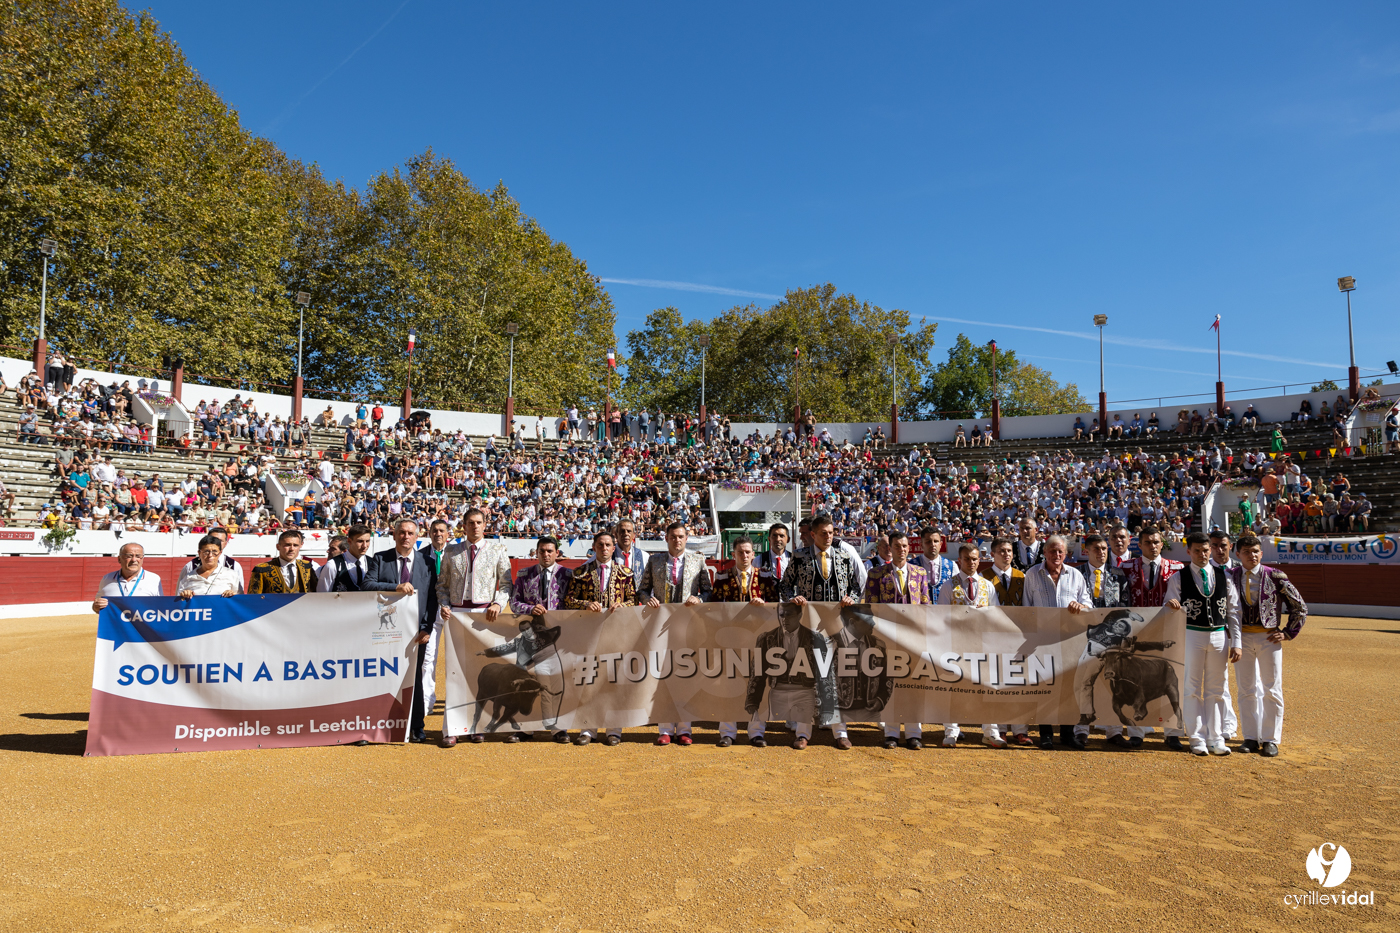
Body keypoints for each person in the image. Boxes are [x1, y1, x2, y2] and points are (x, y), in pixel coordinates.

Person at [779, 514, 862, 748]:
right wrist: (791, 597)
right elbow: (784, 585)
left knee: (835, 677)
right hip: (808, 625)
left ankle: (840, 732)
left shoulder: (844, 556)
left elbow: (856, 586)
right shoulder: (799, 556)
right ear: (813, 535)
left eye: (831, 532)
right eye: (823, 533)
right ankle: (803, 732)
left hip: (837, 625)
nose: (828, 536)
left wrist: (851, 597)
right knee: (806, 677)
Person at [436, 508, 514, 746]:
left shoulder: (498, 549)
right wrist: (445, 604)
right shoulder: (451, 551)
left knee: (482, 673)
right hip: (458, 614)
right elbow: (442, 585)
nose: (475, 526)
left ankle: (477, 727)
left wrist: (499, 605)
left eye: (479, 522)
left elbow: (506, 584)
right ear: (464, 525)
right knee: (455, 671)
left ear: (484, 524)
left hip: (484, 616)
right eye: (470, 523)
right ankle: (451, 728)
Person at [1228, 534, 1307, 758]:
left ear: (1261, 553)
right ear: (1238, 555)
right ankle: (1251, 738)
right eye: (1247, 552)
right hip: (1241, 638)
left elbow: (1299, 606)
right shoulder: (1229, 576)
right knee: (1246, 689)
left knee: (1271, 688)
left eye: (1255, 551)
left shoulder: (1275, 575)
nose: (1252, 555)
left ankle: (1271, 739)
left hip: (1268, 638)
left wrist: (1288, 632)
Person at [1164, 532, 1242, 757]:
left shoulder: (1223, 576)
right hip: (1192, 634)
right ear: (1188, 551)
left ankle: (1215, 737)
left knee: (1216, 689)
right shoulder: (1178, 578)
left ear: (1211, 550)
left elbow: (1234, 611)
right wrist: (1170, 606)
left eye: (1206, 550)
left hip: (1219, 635)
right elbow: (1168, 608)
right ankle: (1196, 737)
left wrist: (1236, 642)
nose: (1202, 554)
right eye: (1197, 550)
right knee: (1191, 688)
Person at [640, 521, 713, 745]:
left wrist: (699, 598)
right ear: (667, 538)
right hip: (660, 626)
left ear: (686, 538)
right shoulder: (655, 560)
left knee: (685, 675)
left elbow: (708, 591)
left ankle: (684, 729)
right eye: (673, 537)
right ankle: (664, 729)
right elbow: (642, 589)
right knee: (662, 677)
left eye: (681, 537)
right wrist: (647, 598)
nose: (677, 540)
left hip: (687, 626)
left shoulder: (698, 559)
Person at [563, 530, 636, 745]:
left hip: (617, 634)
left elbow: (633, 599)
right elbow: (568, 600)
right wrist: (586, 604)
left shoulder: (626, 573)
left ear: (615, 548)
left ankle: (614, 730)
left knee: (615, 680)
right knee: (589, 681)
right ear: (594, 547)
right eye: (600, 545)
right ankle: (588, 729)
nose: (604, 549)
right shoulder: (580, 572)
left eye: (608, 545)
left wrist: (622, 605)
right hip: (589, 635)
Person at [1018, 535, 1091, 749]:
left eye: (1060, 551)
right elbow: (1026, 609)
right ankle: (1046, 735)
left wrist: (1081, 606)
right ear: (1044, 553)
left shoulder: (1076, 575)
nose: (1056, 555)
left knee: (1069, 689)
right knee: (1045, 687)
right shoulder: (1032, 574)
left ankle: (1067, 735)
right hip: (1042, 641)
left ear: (1066, 554)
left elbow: (1088, 602)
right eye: (1052, 551)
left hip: (1070, 640)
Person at [863, 531, 930, 749]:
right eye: (897, 546)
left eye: (904, 546)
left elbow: (926, 606)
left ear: (909, 548)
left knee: (913, 685)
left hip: (913, 638)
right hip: (886, 637)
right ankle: (891, 733)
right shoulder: (875, 573)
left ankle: (913, 733)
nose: (901, 550)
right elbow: (870, 607)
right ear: (889, 548)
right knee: (888, 684)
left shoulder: (920, 573)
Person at [937, 543, 1006, 748]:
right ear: (959, 561)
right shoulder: (949, 585)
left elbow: (996, 616)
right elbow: (940, 617)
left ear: (979, 560)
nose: (971, 562)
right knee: (953, 689)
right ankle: (951, 731)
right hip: (955, 644)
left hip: (982, 645)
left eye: (974, 559)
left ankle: (991, 731)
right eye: (967, 559)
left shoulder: (987, 586)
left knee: (987, 688)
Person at [712, 536, 778, 747]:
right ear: (733, 554)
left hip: (758, 639)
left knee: (757, 684)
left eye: (748, 552)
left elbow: (776, 605)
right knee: (728, 685)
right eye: (740, 552)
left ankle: (756, 732)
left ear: (753, 554)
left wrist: (765, 604)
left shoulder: (765, 575)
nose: (744, 556)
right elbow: (712, 608)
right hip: (730, 639)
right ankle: (728, 732)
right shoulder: (722, 576)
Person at [508, 536, 574, 743]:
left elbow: (574, 604)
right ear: (536, 553)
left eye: (549, 551)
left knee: (555, 682)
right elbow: (514, 603)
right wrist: (530, 608)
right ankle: (527, 728)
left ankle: (557, 728)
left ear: (557, 554)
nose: (545, 554)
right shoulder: (525, 575)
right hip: (532, 639)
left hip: (560, 639)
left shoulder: (568, 575)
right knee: (530, 683)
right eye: (542, 551)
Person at [747, 601, 833, 750]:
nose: (785, 619)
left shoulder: (815, 638)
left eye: (789, 615)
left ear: (799, 615)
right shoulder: (767, 638)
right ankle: (756, 734)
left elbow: (824, 673)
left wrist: (827, 705)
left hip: (803, 689)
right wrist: (752, 700)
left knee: (806, 701)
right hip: (777, 689)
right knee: (760, 706)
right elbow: (757, 673)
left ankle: (803, 735)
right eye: (781, 615)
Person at [92, 543, 163, 610]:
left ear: (142, 559)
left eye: (138, 556)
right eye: (129, 556)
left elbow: (160, 608)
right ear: (119, 559)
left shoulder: (154, 579)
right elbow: (97, 605)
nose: (134, 560)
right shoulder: (107, 579)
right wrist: (96, 607)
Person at [247, 528, 318, 593]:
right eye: (287, 545)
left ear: (300, 546)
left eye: (295, 545)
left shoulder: (307, 566)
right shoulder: (262, 569)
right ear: (278, 547)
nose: (292, 549)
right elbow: (253, 598)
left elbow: (315, 593)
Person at [176, 535, 243, 598]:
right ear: (199, 553)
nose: (210, 555)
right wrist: (184, 595)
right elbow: (179, 604)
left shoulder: (231, 574)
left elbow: (240, 602)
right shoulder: (188, 577)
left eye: (214, 551)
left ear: (220, 553)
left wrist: (233, 595)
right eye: (206, 551)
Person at [317, 524, 375, 592]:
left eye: (367, 541)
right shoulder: (332, 565)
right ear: (349, 541)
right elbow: (322, 596)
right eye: (360, 541)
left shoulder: (373, 563)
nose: (364, 546)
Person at [912, 527, 956, 602]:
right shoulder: (911, 566)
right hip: (920, 612)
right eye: (928, 542)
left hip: (944, 612)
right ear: (921, 545)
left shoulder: (952, 566)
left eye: (936, 541)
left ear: (941, 544)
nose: (932, 544)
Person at [980, 537, 1025, 610]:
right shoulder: (982, 577)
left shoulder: (1022, 576)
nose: (1007, 554)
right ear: (992, 554)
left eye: (1009, 550)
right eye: (1002, 551)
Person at [614, 519, 648, 590]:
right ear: (616, 535)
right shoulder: (607, 555)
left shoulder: (644, 556)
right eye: (622, 531)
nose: (626, 534)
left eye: (629, 531)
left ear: (634, 535)